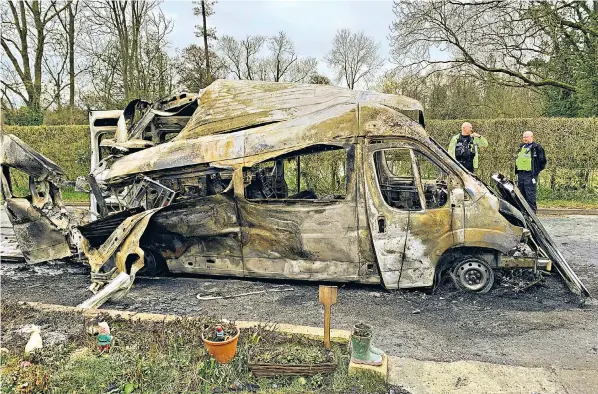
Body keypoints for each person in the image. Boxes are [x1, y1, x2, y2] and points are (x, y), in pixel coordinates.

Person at [515, 131, 546, 213]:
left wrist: (535, 171)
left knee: (530, 194)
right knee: (521, 193)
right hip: (521, 174)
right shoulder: (522, 147)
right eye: (523, 137)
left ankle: (532, 212)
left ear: (531, 137)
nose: (524, 138)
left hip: (530, 174)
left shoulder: (537, 148)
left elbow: (542, 161)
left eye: (526, 137)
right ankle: (523, 212)